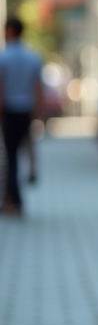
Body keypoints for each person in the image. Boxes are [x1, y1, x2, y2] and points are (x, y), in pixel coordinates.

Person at [0, 16, 43, 216]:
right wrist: (38, 115)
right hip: (25, 111)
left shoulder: (3, 58)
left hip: (8, 111)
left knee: (10, 157)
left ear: (8, 31)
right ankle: (13, 198)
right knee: (20, 153)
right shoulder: (32, 57)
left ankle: (13, 200)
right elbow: (37, 90)